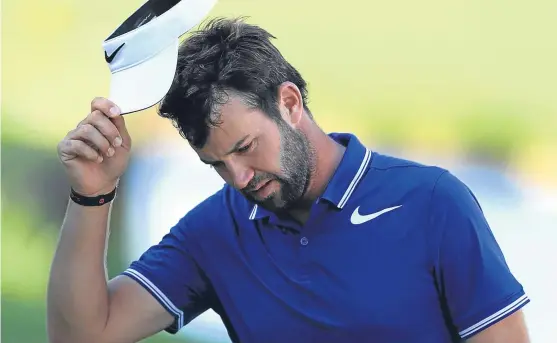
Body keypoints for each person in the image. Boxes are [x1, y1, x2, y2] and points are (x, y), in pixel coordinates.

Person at [48, 17, 531, 343]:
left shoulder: (433, 204)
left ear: (290, 103)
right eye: (215, 164)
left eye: (244, 148)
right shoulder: (215, 231)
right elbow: (83, 335)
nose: (237, 178)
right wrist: (92, 193)